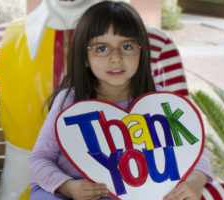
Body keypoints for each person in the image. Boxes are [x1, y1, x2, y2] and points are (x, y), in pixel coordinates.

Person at [29, 1, 211, 200]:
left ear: (141, 52)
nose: (115, 58)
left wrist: (195, 181)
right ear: (84, 57)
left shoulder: (160, 101)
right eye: (101, 49)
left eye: (126, 46)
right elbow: (40, 159)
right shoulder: (69, 101)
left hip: (126, 193)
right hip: (65, 192)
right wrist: (68, 187)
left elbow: (194, 151)